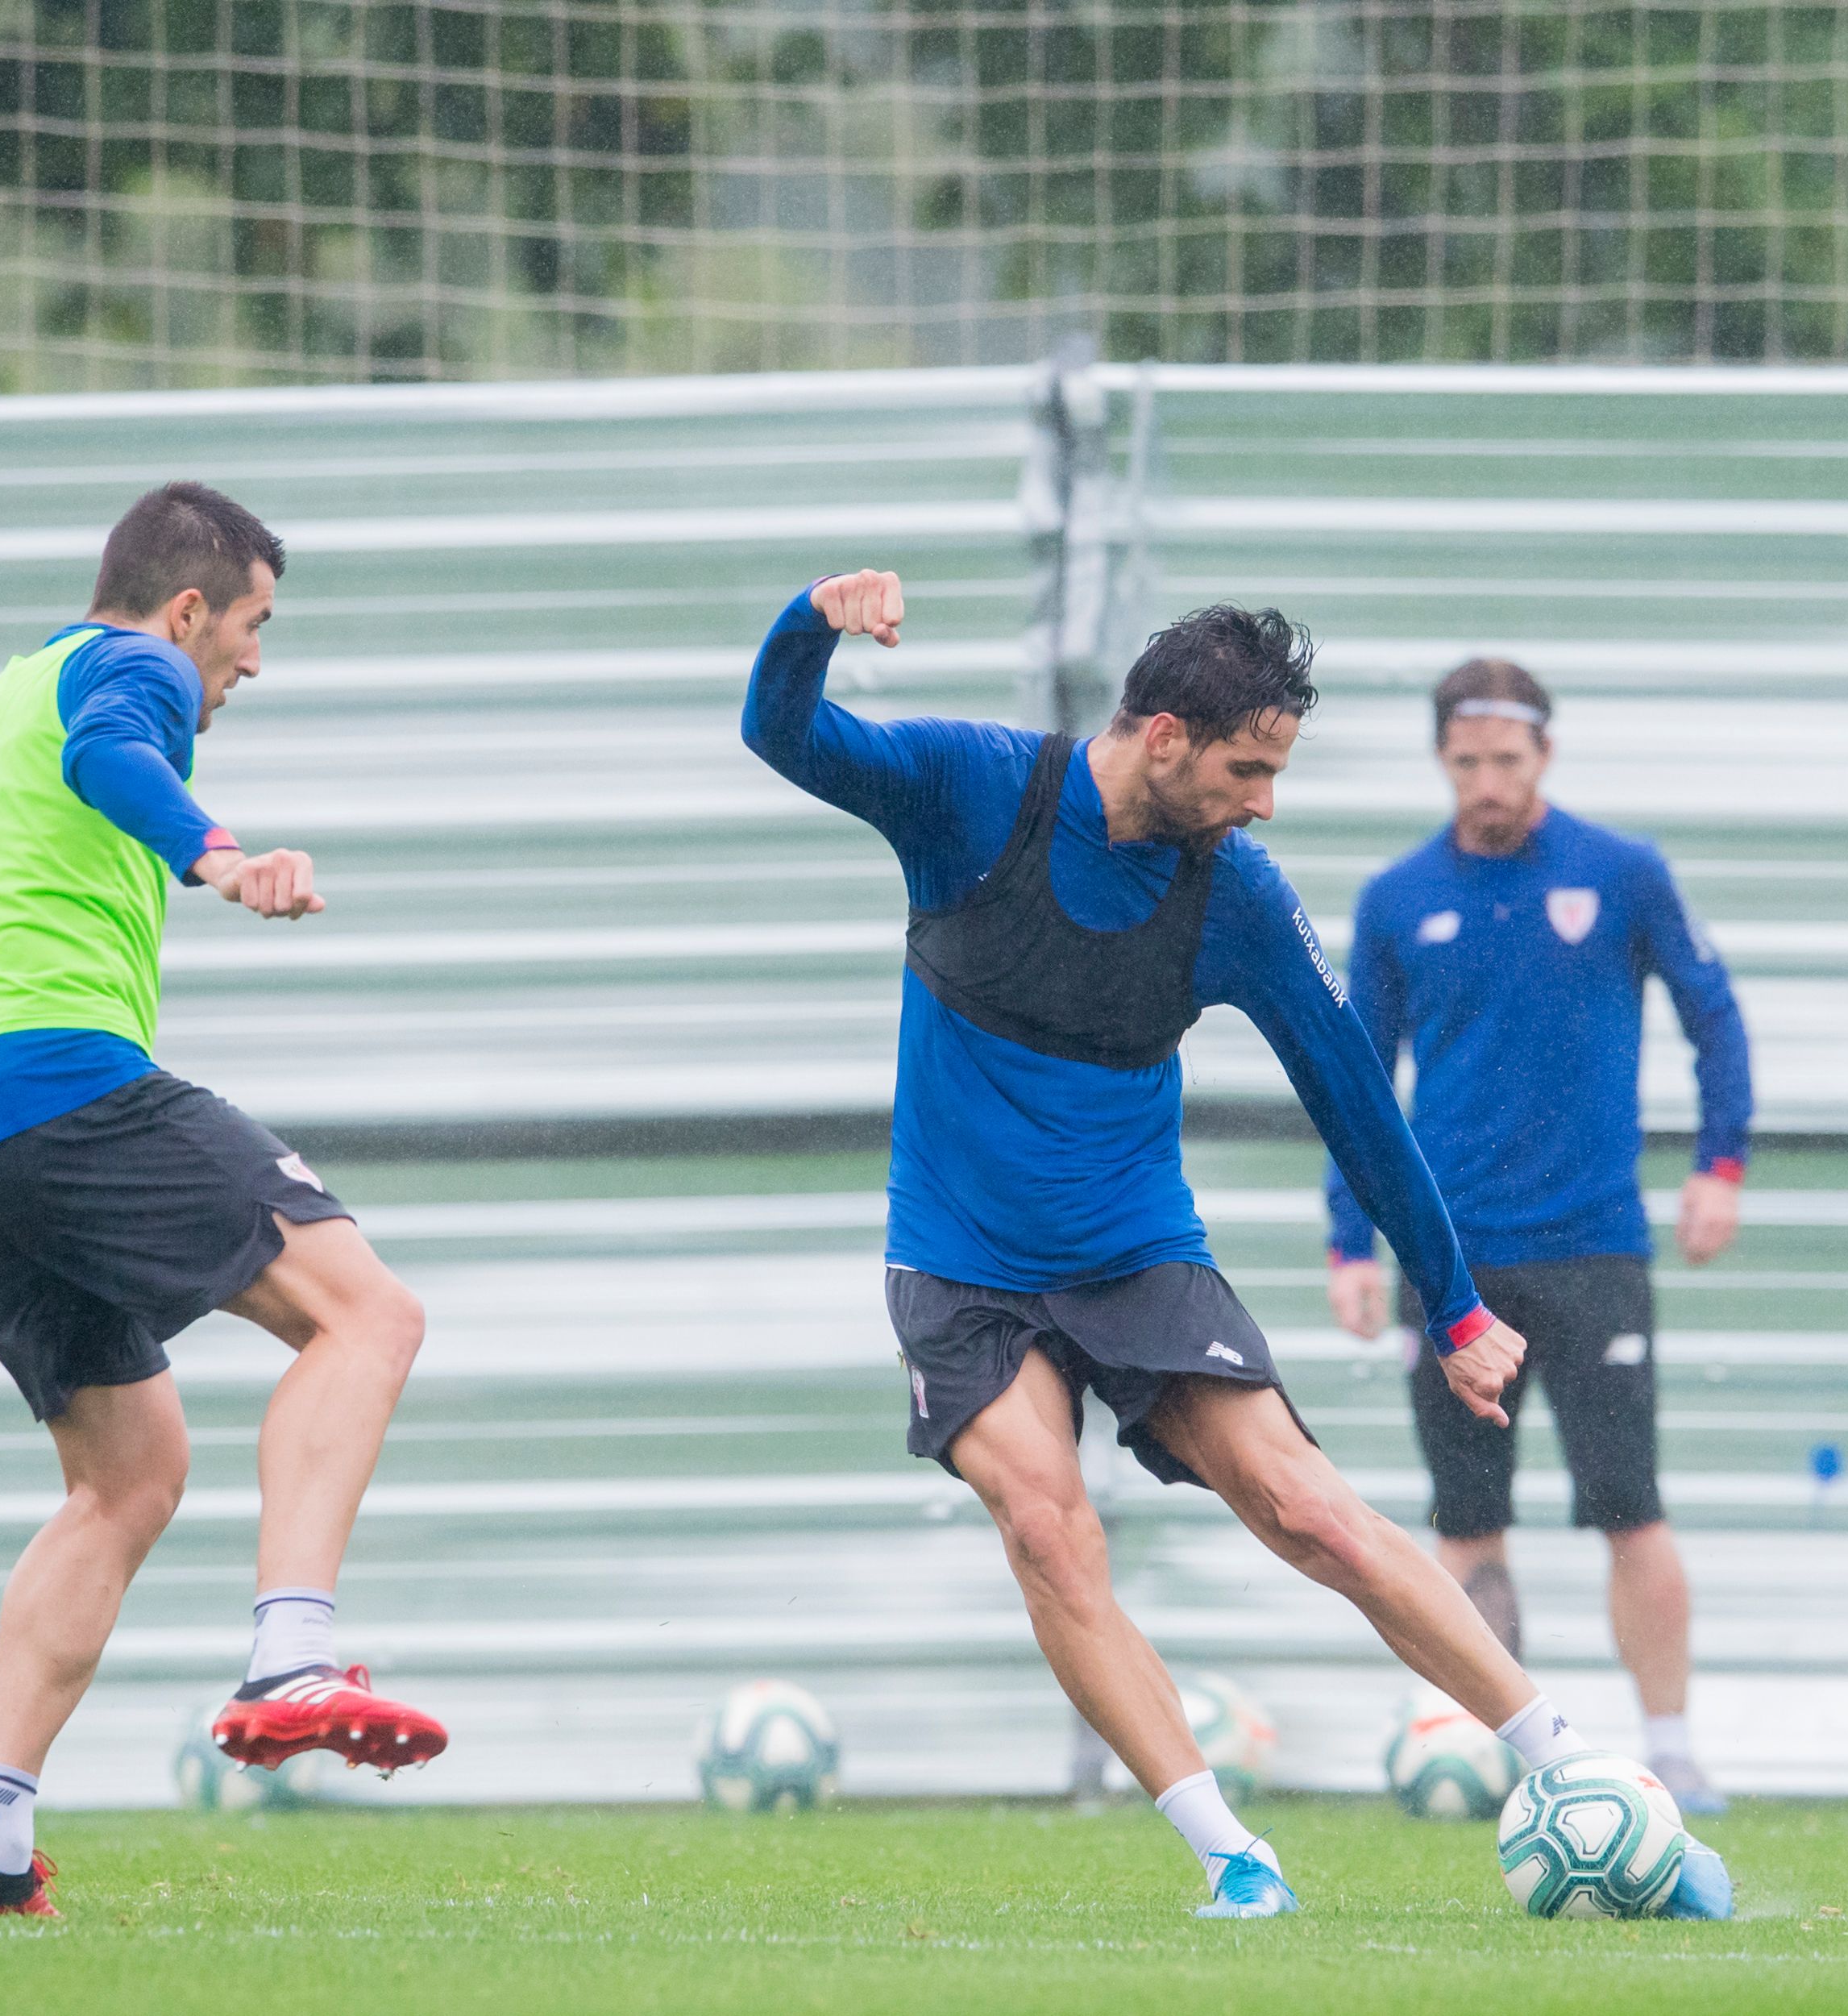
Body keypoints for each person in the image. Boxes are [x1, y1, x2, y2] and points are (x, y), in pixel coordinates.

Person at [742, 572, 1733, 1920]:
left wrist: (1451, 1309)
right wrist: (811, 619)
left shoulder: (1236, 898)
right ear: (1163, 739)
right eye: (1247, 768)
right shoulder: (967, 791)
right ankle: (1233, 1855)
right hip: (959, 1257)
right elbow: (782, 734)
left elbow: (1354, 1099)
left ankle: (1579, 1771)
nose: (1266, 800)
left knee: (1310, 1509)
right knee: (1047, 1527)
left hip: (1136, 1250)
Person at [0, 483, 443, 1918]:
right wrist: (211, 851)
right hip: (60, 1079)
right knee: (368, 1314)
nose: (254, 660)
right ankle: (291, 1652)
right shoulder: (128, 668)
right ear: (190, 608)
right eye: (253, 626)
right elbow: (116, 749)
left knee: (126, 1476)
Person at [1323, 658, 1753, 1814]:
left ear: (1544, 757)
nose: (1485, 784)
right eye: (1465, 763)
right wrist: (1349, 1242)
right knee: (1466, 1519)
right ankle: (1491, 1755)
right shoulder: (1399, 897)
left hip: (1594, 1244)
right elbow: (1354, 1077)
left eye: (1505, 761)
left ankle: (1670, 1743)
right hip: (1452, 1257)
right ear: (1442, 763)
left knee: (1631, 1504)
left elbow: (1714, 1016)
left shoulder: (1621, 874)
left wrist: (1720, 1163)